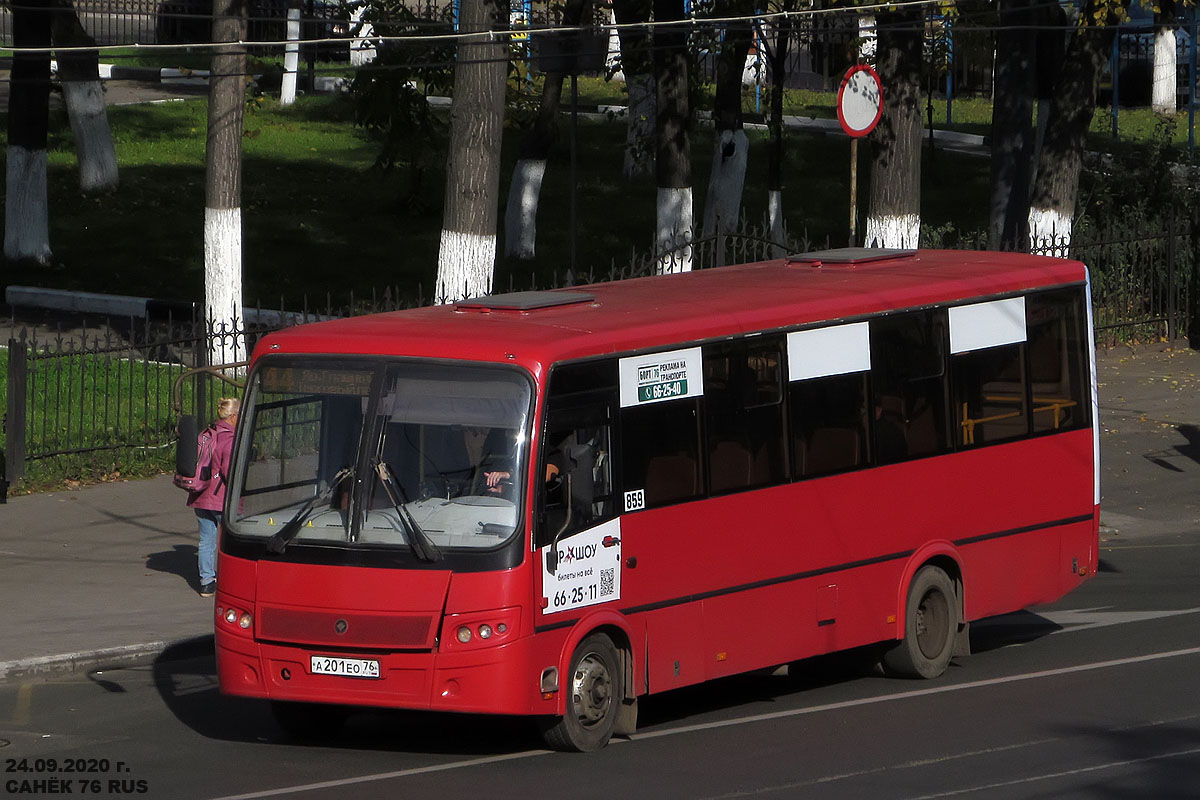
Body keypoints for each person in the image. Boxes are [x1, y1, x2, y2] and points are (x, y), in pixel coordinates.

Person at [187, 397, 240, 597]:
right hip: (221, 498)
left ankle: (207, 582)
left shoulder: (206, 434)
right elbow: (229, 472)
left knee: (206, 539)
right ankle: (231, 579)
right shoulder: (230, 439)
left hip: (201, 494)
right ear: (233, 416)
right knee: (230, 541)